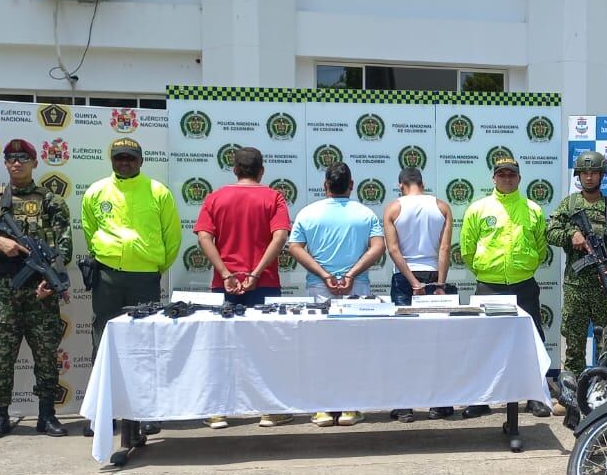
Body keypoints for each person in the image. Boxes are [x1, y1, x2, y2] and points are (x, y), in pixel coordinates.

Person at [0, 139, 73, 442]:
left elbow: (64, 246)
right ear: (5, 164)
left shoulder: (51, 201)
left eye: (23, 158)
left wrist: (51, 279)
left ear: (35, 163)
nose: (17, 163)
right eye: (11, 158)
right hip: (3, 290)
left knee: (46, 356)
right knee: (1, 355)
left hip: (40, 291)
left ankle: (47, 415)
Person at [80, 137, 181, 436]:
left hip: (144, 278)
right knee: (103, 344)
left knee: (146, 346)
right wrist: (108, 256)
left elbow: (172, 238)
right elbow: (89, 231)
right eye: (119, 158)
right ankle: (104, 415)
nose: (125, 162)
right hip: (107, 276)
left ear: (141, 161)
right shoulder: (96, 191)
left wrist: (152, 266)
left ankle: (147, 413)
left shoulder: (158, 192)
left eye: (130, 158)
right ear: (111, 160)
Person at [194, 146, 293, 429]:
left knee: (221, 346)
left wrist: (225, 273)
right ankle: (268, 411)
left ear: (235, 169)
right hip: (264, 284)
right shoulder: (274, 197)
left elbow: (203, 237)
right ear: (262, 171)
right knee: (266, 347)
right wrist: (257, 273)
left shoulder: (215, 197)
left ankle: (217, 411)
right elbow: (280, 236)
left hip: (225, 284)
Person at [287, 161, 385, 427]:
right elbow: (378, 247)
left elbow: (294, 247)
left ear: (325, 185)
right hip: (357, 288)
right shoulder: (365, 213)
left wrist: (324, 274)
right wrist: (351, 275)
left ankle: (323, 409)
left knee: (321, 348)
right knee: (355, 348)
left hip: (320, 288)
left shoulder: (308, 212)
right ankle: (350, 408)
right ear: (351, 185)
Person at [460, 155, 551, 418]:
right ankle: (481, 398)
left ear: (519, 178)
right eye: (502, 174)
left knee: (532, 341)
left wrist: (524, 267)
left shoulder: (533, 209)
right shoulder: (478, 209)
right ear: (494, 178)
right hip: (489, 286)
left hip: (524, 285)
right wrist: (485, 270)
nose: (507, 178)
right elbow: (467, 248)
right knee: (485, 344)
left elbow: (541, 248)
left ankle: (534, 397)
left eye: (511, 174)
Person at [382, 167, 456, 422]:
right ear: (422, 184)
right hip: (433, 275)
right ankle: (440, 404)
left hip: (405, 278)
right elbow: (445, 248)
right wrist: (440, 283)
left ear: (400, 185)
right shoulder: (442, 207)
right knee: (436, 342)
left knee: (404, 344)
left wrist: (413, 282)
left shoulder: (393, 208)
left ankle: (405, 406)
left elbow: (393, 250)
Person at [546, 150, 607, 376]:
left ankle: (604, 388)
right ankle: (572, 391)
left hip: (605, 286)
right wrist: (571, 234)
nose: (589, 177)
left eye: (594, 173)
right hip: (576, 287)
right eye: (584, 173)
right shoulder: (570, 204)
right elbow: (550, 232)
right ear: (579, 176)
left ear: (602, 175)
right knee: (574, 345)